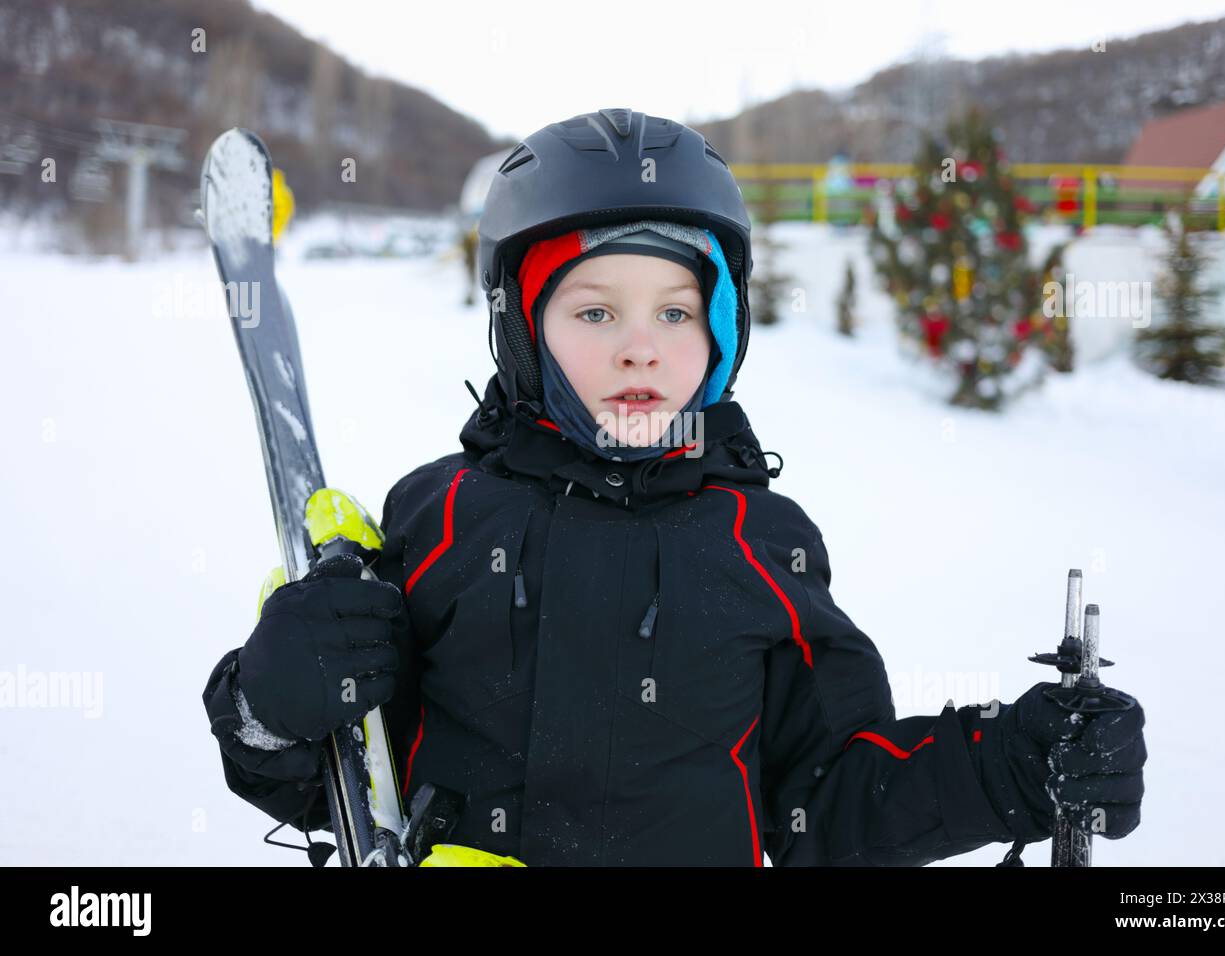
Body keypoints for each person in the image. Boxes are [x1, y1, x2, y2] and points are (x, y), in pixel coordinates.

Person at [202, 108, 1145, 866]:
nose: (639, 344)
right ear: (523, 330)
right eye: (596, 308)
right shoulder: (439, 517)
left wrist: (1009, 767)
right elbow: (341, 774)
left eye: (676, 310)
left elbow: (828, 800)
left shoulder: (763, 544)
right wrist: (272, 706)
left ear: (722, 330)